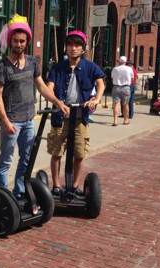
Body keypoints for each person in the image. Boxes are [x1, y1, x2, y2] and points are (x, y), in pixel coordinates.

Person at [0, 14, 69, 199]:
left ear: (27, 42)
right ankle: (2, 195)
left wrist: (58, 102)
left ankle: (19, 190)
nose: (19, 44)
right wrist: (5, 120)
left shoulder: (33, 62)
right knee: (6, 160)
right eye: (16, 41)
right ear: (10, 41)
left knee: (26, 158)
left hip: (28, 119)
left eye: (22, 41)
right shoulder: (1, 66)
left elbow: (42, 86)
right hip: (11, 121)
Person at [46, 30, 106, 194]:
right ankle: (57, 186)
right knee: (57, 152)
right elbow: (49, 88)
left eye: (77, 45)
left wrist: (96, 99)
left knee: (79, 153)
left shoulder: (90, 66)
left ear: (83, 48)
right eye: (70, 45)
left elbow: (101, 83)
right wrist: (57, 102)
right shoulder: (58, 68)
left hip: (80, 117)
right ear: (65, 47)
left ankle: (74, 186)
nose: (73, 48)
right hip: (61, 116)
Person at [111, 56, 133, 125]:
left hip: (116, 87)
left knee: (116, 104)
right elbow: (132, 78)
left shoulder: (115, 69)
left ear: (119, 61)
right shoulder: (129, 68)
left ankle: (115, 121)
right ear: (125, 62)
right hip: (126, 87)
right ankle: (125, 120)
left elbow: (112, 77)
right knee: (125, 104)